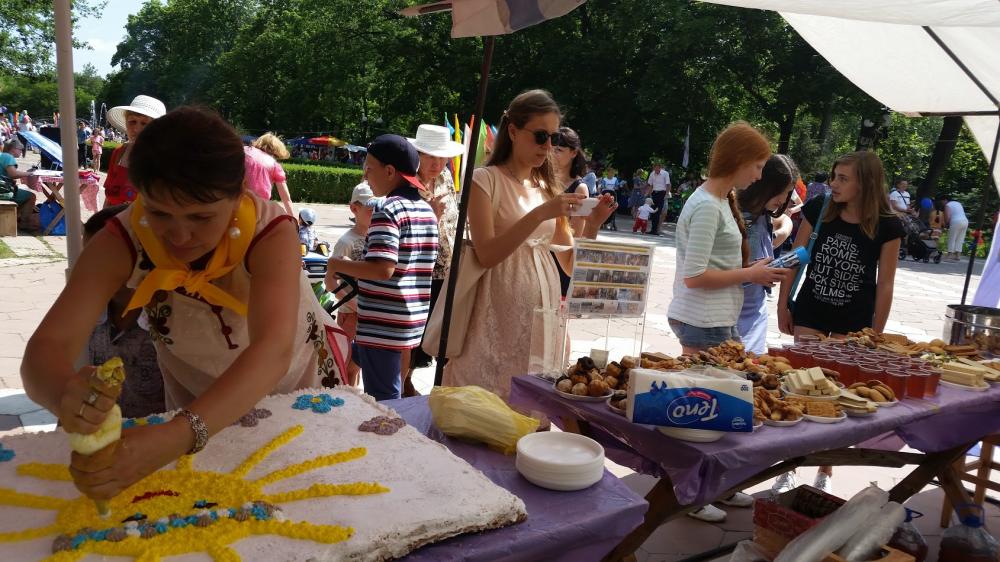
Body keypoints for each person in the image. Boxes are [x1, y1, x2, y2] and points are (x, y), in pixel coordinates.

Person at [20, 106, 349, 503]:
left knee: (306, 491)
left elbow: (272, 351)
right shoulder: (122, 239)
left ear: (239, 195)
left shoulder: (271, 232)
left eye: (201, 217)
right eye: (159, 213)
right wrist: (64, 394)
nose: (179, 235)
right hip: (196, 400)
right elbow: (46, 349)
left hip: (295, 386)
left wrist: (178, 434)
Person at [442, 89, 615, 400]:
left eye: (553, 137)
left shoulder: (547, 188)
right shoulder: (485, 179)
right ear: (512, 131)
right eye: (540, 136)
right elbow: (486, 253)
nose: (548, 146)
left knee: (533, 403)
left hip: (541, 314)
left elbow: (569, 264)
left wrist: (592, 225)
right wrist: (540, 214)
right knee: (487, 400)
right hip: (494, 314)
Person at [667, 122, 787, 524]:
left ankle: (714, 486)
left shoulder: (718, 200)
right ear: (738, 161)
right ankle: (692, 493)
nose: (759, 175)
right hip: (703, 320)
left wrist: (751, 270)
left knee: (712, 412)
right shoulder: (707, 205)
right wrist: (750, 274)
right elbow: (695, 276)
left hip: (715, 319)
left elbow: (710, 267)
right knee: (701, 416)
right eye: (758, 166)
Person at [775, 151, 903, 496]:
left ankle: (826, 468)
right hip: (811, 311)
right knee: (800, 388)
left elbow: (886, 284)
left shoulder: (888, 225)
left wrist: (875, 333)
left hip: (854, 321)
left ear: (866, 183)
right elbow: (795, 257)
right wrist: (783, 304)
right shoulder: (820, 209)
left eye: (843, 178)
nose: (833, 183)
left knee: (838, 397)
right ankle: (788, 466)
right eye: (834, 176)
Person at [325, 134, 438, 402]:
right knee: (360, 366)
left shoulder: (387, 210)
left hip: (382, 326)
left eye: (369, 168)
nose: (365, 175)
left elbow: (382, 269)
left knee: (384, 403)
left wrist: (336, 264)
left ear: (389, 171)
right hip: (408, 322)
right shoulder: (426, 211)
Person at [83, 205, 165, 418]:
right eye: (88, 261)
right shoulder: (87, 316)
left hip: (159, 433)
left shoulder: (168, 320)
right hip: (102, 431)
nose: (96, 270)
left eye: (107, 259)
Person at [403, 124, 464, 394]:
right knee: (415, 329)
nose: (437, 163)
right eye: (430, 156)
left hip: (447, 267)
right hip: (418, 269)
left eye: (442, 157)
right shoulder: (406, 183)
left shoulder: (446, 177)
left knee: (443, 330)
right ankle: (405, 382)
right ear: (417, 154)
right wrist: (430, 215)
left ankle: (442, 386)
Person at [736, 155, 798, 354]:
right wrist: (754, 273)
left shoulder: (763, 215)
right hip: (730, 314)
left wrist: (785, 227)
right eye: (780, 192)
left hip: (754, 312)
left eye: (787, 193)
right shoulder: (738, 216)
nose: (783, 200)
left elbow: (767, 242)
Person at [329, 183, 378, 388]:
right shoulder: (346, 242)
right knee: (347, 363)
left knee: (361, 363)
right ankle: (349, 396)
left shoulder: (378, 238)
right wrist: (355, 305)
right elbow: (333, 282)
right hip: (351, 314)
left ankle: (355, 394)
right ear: (354, 208)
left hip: (370, 312)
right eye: (370, 208)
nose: (375, 212)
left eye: (377, 207)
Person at [103, 95, 167, 207]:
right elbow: (108, 198)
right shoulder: (119, 152)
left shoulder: (163, 161)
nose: (136, 129)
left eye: (144, 123)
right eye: (132, 121)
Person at [552, 126, 590, 236]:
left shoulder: (580, 188)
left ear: (574, 153)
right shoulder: (540, 181)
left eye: (558, 150)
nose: (551, 154)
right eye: (551, 149)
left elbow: (576, 235)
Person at [245, 133, 294, 216]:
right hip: (257, 208)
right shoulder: (274, 165)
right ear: (275, 152)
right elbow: (286, 198)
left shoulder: (244, 150)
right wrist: (293, 218)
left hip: (232, 200)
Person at [0, 138, 38, 231]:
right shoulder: (8, 157)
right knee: (31, 196)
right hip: (2, 192)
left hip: (2, 188)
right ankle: (24, 223)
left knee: (22, 191)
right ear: (13, 149)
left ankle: (15, 218)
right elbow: (13, 174)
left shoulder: (2, 155)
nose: (22, 152)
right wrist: (29, 173)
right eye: (20, 149)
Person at [940, 195, 969, 261]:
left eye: (942, 201)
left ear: (945, 200)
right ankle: (958, 255)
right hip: (965, 221)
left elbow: (948, 217)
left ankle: (949, 255)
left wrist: (946, 225)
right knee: (960, 238)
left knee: (952, 238)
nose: (942, 203)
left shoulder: (947, 205)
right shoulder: (958, 203)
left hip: (956, 221)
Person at [646, 163, 671, 235]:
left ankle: (656, 230)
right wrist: (648, 194)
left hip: (662, 193)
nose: (656, 170)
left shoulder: (665, 173)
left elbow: (668, 184)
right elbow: (650, 185)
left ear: (660, 168)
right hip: (654, 193)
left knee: (658, 211)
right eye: (655, 168)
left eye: (657, 168)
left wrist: (666, 194)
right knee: (653, 212)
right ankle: (653, 230)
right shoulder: (652, 174)